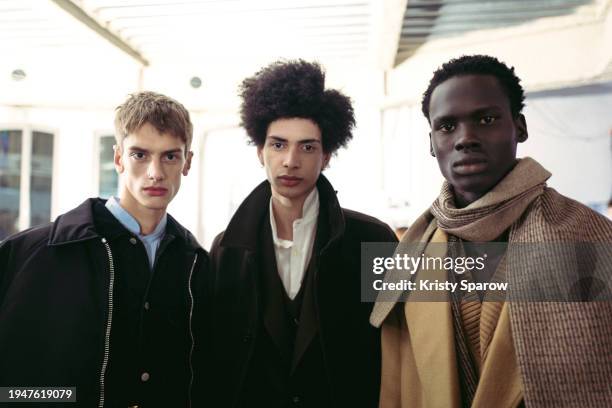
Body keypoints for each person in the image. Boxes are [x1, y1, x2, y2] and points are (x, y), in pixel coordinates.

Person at [370, 55, 612, 407]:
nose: (465, 138)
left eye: (486, 119)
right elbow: (397, 384)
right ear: (431, 141)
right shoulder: (410, 257)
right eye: (447, 126)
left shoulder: (590, 236)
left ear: (520, 127)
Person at [0, 91, 209, 407]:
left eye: (170, 156)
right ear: (118, 158)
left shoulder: (195, 264)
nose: (155, 172)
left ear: (187, 162)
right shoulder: (33, 254)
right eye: (140, 154)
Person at [208, 60, 397, 408]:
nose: (291, 161)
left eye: (307, 147)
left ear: (326, 156)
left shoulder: (373, 240)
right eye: (278, 145)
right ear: (259, 151)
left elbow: (400, 347)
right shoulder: (225, 248)